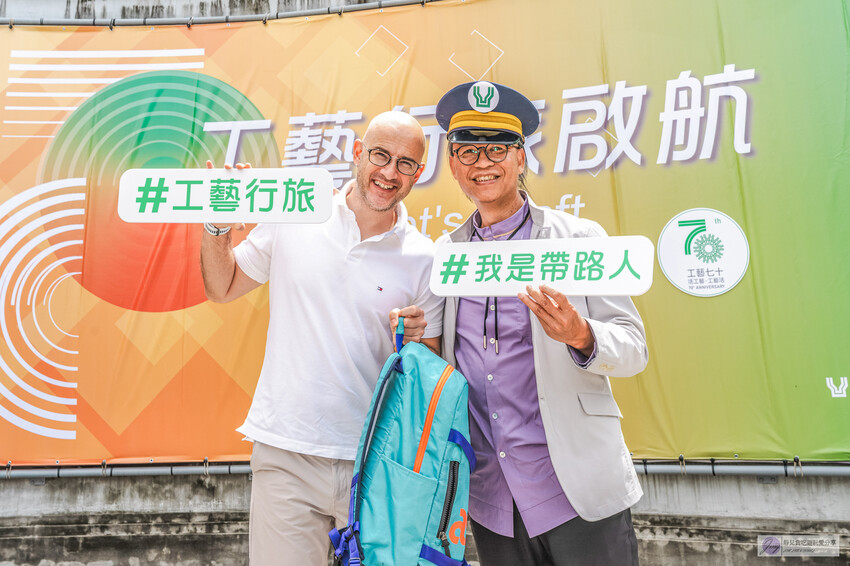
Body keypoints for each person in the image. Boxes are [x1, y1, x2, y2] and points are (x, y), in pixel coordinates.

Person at [200, 111, 444, 565]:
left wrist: (415, 342)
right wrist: (217, 227)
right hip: (287, 450)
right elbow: (222, 286)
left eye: (405, 163)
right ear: (357, 153)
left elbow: (430, 369)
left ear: (419, 172)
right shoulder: (295, 215)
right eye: (380, 155)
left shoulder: (425, 258)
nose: (390, 172)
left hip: (378, 460)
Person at [434, 82, 648, 565]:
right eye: (467, 150)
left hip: (577, 487)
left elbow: (634, 348)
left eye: (497, 149)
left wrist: (581, 335)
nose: (482, 163)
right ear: (453, 164)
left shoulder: (578, 240)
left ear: (521, 157)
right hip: (494, 496)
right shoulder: (445, 256)